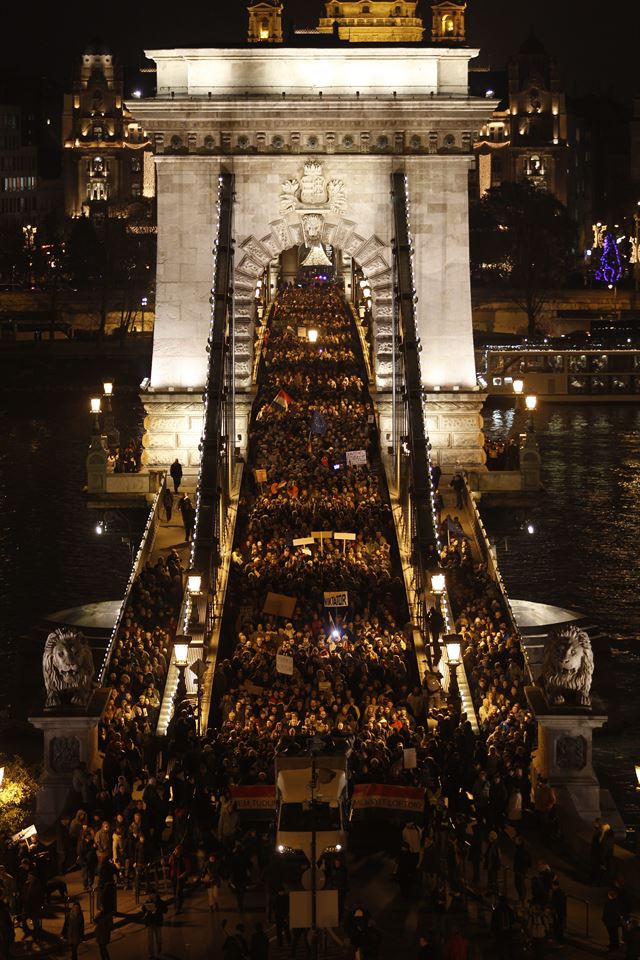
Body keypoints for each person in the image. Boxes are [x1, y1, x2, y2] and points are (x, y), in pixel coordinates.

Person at [142, 889, 166, 959]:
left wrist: (157, 910)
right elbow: (143, 909)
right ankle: (151, 954)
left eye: (151, 894)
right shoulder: (148, 901)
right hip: (150, 922)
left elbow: (165, 910)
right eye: (149, 894)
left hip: (157, 922)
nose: (150, 896)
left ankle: (159, 946)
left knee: (158, 938)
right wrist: (145, 905)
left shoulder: (160, 902)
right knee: (150, 939)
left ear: (155, 894)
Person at [602, 888, 621, 953]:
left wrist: (604, 919)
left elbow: (606, 912)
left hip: (610, 921)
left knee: (612, 935)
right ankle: (616, 946)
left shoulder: (608, 903)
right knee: (615, 934)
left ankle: (612, 947)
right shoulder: (617, 902)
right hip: (615, 922)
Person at [550, 879, 566, 944]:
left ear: (555, 885)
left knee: (557, 926)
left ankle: (558, 940)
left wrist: (555, 911)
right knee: (558, 926)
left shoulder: (557, 893)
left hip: (558, 912)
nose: (552, 887)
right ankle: (559, 939)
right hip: (560, 912)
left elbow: (557, 904)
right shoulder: (559, 892)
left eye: (553, 886)